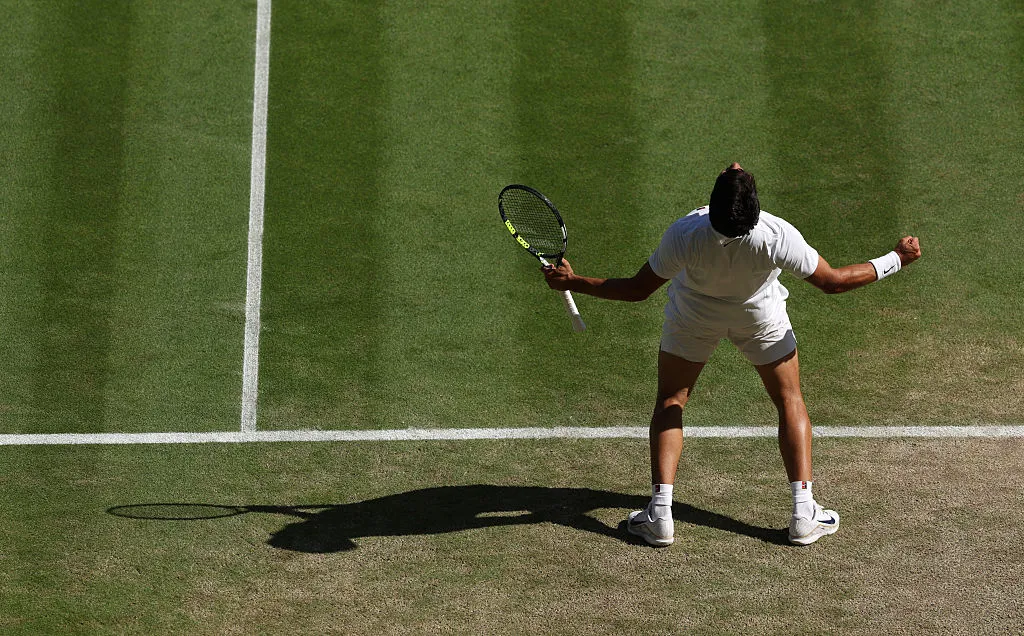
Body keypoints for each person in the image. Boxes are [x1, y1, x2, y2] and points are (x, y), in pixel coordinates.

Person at [542, 162, 921, 546]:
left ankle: (660, 515)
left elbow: (638, 289)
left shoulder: (685, 233)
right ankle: (804, 513)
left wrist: (573, 281)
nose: (735, 164)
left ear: (713, 206)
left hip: (693, 319)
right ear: (754, 209)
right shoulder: (777, 234)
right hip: (760, 320)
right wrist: (897, 259)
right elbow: (833, 282)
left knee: (672, 401)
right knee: (790, 399)